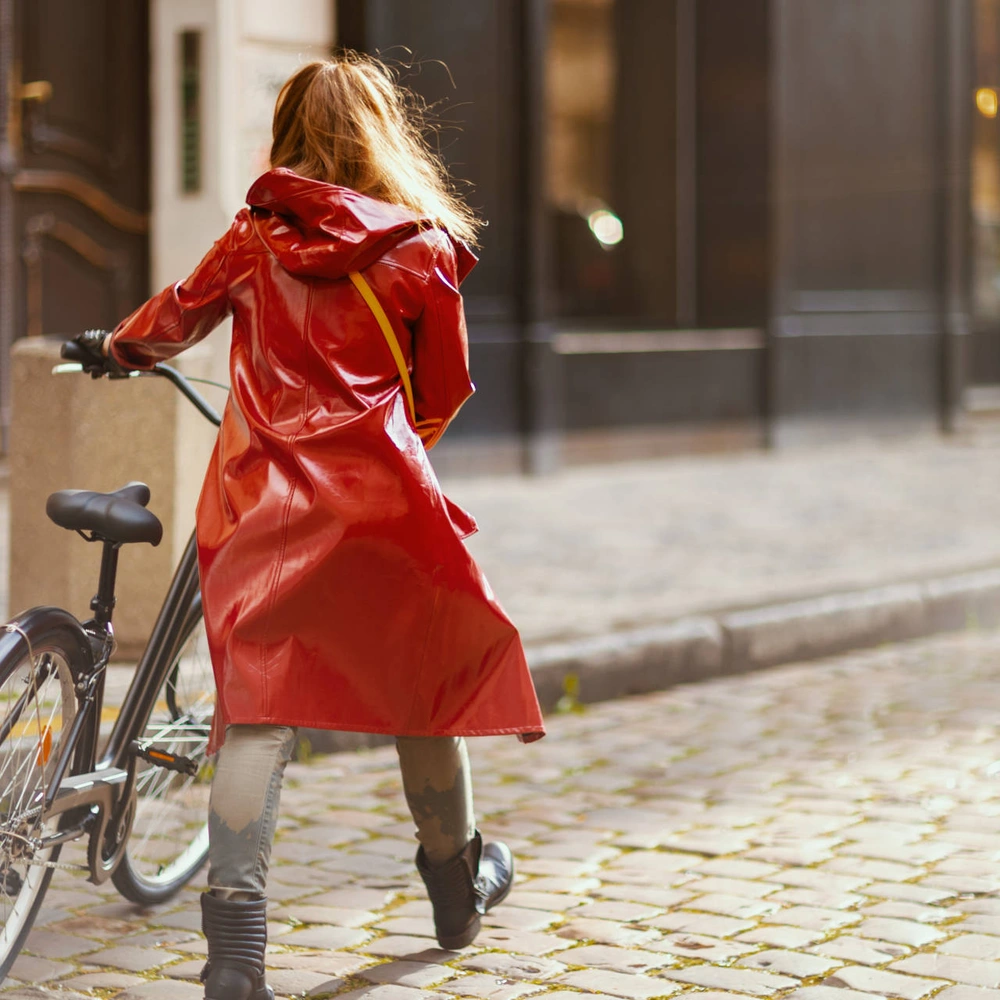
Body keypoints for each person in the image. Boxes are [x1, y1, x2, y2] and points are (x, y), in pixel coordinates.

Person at [89, 53, 545, 1000]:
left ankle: (235, 958)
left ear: (290, 133)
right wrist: (387, 452)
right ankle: (456, 890)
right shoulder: (421, 247)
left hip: (259, 499)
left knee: (257, 711)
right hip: (381, 502)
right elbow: (445, 389)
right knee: (426, 691)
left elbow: (175, 317)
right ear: (385, 133)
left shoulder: (255, 236)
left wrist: (114, 346)